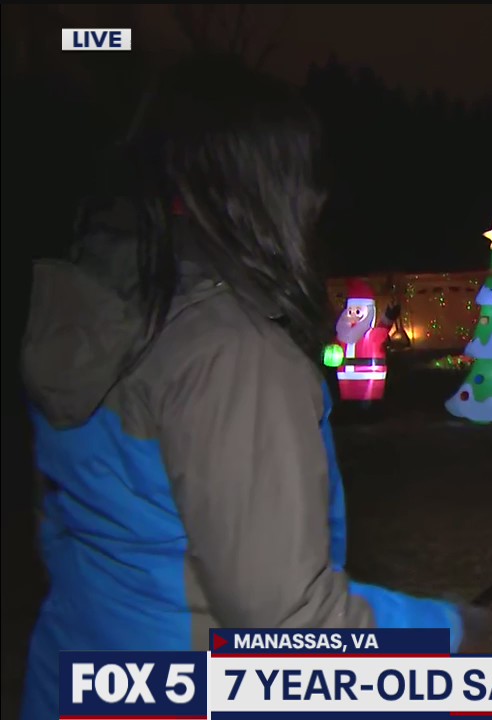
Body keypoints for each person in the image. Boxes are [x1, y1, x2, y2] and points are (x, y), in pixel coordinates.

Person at [19, 55, 465, 720]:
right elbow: (288, 623)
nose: (317, 202)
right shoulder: (230, 352)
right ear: (261, 187)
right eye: (304, 177)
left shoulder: (89, 308)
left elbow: (65, 528)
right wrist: (450, 636)